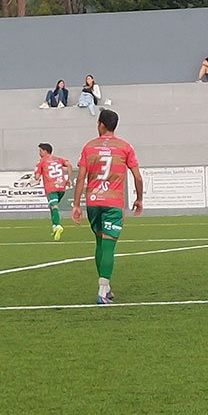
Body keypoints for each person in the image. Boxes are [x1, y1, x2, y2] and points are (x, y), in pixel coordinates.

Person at [71, 109, 142, 305]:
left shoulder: (89, 147)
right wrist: (139, 199)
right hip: (113, 203)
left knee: (100, 243)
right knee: (109, 245)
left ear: (100, 124)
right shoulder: (125, 147)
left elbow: (80, 178)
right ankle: (102, 291)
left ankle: (106, 288)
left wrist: (76, 205)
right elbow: (137, 177)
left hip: (93, 202)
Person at [34, 143, 73, 240]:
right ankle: (55, 227)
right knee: (52, 206)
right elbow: (69, 165)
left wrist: (37, 176)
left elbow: (37, 177)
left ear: (45, 151)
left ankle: (58, 225)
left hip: (51, 187)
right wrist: (68, 179)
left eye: (40, 151)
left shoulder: (41, 161)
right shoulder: (59, 159)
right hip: (62, 188)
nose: (39, 153)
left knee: (54, 206)